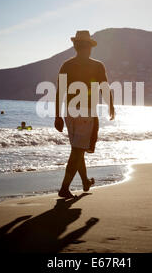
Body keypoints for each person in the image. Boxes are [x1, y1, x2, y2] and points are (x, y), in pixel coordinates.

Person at [55, 30, 115, 199]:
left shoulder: (67, 64)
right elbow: (104, 87)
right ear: (89, 47)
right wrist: (111, 105)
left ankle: (85, 182)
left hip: (69, 112)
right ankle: (64, 188)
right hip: (86, 113)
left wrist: (58, 116)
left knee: (77, 148)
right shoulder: (96, 65)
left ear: (75, 46)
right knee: (77, 150)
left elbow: (60, 91)